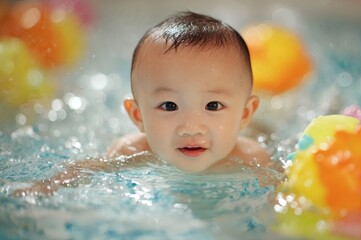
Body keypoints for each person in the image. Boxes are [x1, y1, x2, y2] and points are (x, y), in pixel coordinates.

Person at [14, 11, 272, 196]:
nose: (192, 127)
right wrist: (44, 187)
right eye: (169, 106)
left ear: (244, 114)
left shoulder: (253, 158)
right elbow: (83, 170)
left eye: (213, 106)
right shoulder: (130, 152)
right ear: (137, 116)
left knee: (266, 130)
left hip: (255, 131)